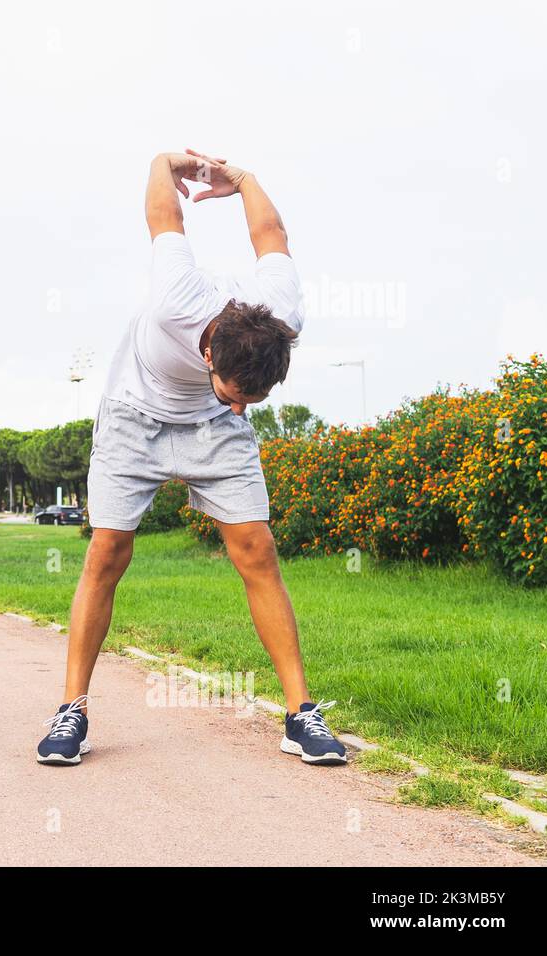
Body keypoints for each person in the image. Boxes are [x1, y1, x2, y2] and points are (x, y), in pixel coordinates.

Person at [36, 149, 346, 768]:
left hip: (207, 432)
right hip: (135, 415)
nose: (244, 409)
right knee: (107, 550)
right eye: (239, 394)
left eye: (254, 402)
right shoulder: (180, 295)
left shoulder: (281, 315)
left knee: (256, 548)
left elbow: (271, 234)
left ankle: (300, 714)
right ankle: (72, 710)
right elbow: (163, 215)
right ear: (211, 358)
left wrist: (246, 180)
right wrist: (164, 162)